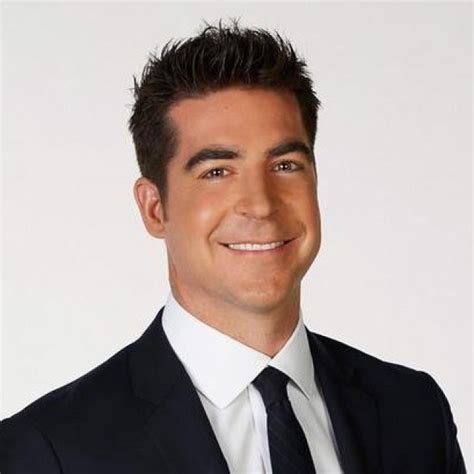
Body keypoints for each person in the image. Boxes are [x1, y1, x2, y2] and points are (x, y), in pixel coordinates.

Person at [0, 20, 466, 474]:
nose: (261, 204)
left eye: (285, 165)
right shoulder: (49, 451)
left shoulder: (414, 411)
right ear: (154, 208)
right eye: (217, 172)